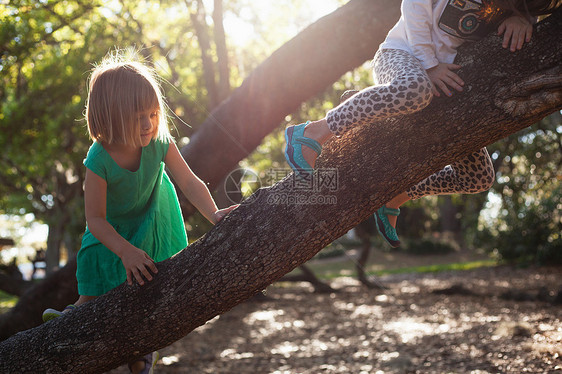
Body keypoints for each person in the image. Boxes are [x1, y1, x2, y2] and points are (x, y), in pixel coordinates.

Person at [284, 0, 560, 247]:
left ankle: (396, 197)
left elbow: (529, 14)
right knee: (415, 89)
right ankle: (312, 132)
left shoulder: (516, 8)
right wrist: (429, 64)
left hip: (442, 84)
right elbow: (414, 5)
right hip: (402, 54)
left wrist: (523, 19)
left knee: (479, 177)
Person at [42, 50, 237, 374]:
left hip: (151, 219)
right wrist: (126, 252)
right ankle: (64, 325)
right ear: (110, 118)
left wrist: (214, 214)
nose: (148, 123)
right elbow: (96, 220)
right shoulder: (99, 159)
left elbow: (188, 181)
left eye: (152, 113)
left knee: (148, 290)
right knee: (92, 292)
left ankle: (142, 352)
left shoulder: (159, 142)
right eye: (137, 118)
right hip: (110, 232)